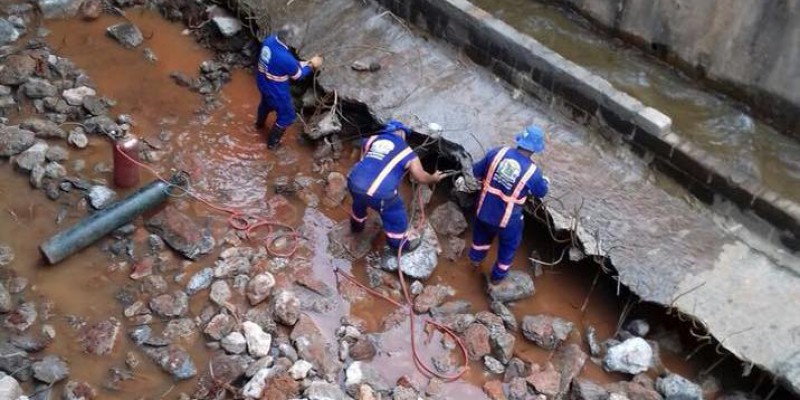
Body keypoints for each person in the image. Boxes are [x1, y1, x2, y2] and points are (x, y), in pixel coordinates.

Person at [468, 125, 550, 284]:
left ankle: (474, 263)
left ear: (520, 140)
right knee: (508, 248)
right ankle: (496, 279)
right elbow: (541, 192)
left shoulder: (497, 152)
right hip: (507, 221)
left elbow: (476, 171)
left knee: (480, 239)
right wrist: (545, 181)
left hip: (483, 210)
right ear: (535, 149)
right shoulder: (533, 172)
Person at [348, 119, 445, 253]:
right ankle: (398, 244)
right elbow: (421, 177)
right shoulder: (407, 152)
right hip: (380, 193)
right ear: (401, 133)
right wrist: (434, 178)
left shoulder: (372, 139)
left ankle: (356, 226)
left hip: (354, 183)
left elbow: (360, 150)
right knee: (395, 213)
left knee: (359, 202)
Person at [255, 24, 323, 150]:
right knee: (287, 116)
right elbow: (298, 76)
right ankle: (272, 145)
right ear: (289, 40)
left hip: (262, 81)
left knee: (265, 103)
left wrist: (304, 63)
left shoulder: (269, 41)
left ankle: (259, 125)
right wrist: (312, 65)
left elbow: (287, 63)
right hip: (276, 90)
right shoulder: (286, 59)